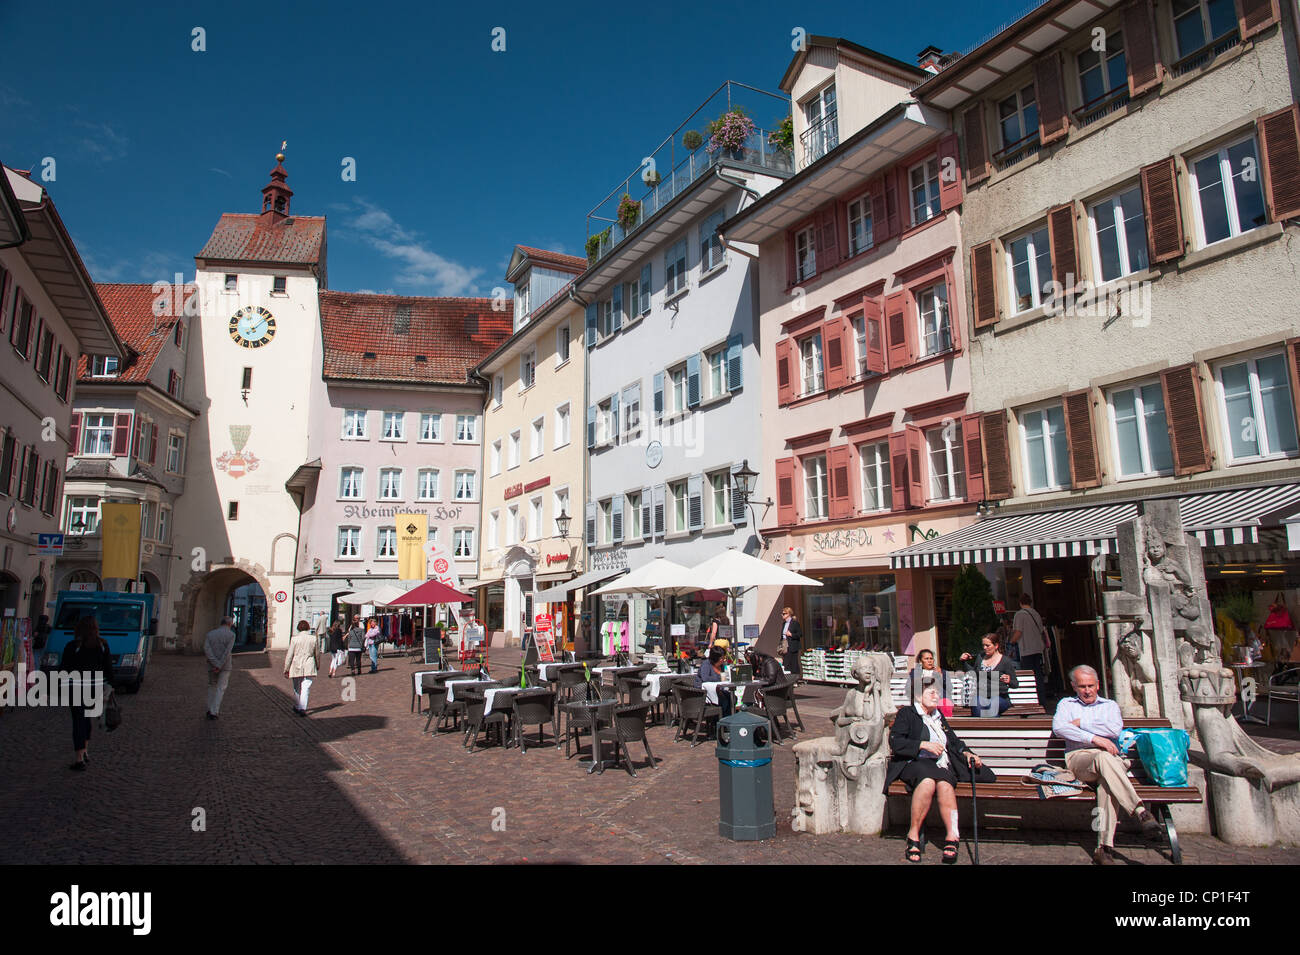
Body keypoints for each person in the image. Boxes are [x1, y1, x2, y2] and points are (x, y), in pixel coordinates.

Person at [1052, 664, 1163, 864]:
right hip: (1080, 758)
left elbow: (1113, 729)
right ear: (1073, 686)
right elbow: (1060, 728)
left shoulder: (1110, 705)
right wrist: (1096, 738)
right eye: (1082, 686)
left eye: (1091, 686)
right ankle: (1140, 811)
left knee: (1107, 784)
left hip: (1111, 762)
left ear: (1098, 685)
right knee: (1103, 758)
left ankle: (1103, 849)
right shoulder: (1066, 704)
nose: (1087, 691)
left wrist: (1081, 724)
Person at [885, 681, 992, 863]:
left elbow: (953, 741)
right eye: (931, 693)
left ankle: (952, 835)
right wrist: (921, 745)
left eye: (937, 693)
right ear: (919, 696)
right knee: (927, 781)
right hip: (915, 763)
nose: (936, 696)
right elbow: (896, 742)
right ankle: (913, 834)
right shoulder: (907, 713)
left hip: (941, 765)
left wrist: (967, 753)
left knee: (945, 784)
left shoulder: (938, 716)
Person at [60, 617, 113, 771]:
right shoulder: (102, 645)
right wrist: (110, 685)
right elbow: (108, 668)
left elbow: (64, 668)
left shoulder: (73, 646)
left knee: (78, 720)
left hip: (76, 687)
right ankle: (85, 750)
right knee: (86, 718)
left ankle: (79, 758)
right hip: (94, 688)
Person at [960, 632, 1019, 716]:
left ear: (996, 646)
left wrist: (1008, 680)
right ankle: (986, 727)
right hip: (981, 696)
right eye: (983, 645)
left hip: (1000, 697)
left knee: (992, 705)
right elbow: (973, 674)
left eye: (987, 645)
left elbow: (1015, 684)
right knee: (978, 704)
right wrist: (963, 662)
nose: (985, 648)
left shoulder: (1005, 661)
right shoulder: (980, 658)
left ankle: (986, 727)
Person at [1011, 593, 1049, 693]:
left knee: (1027, 676)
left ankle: (1031, 699)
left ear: (1020, 603)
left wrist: (1011, 641)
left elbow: (1018, 632)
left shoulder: (1020, 614)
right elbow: (1041, 630)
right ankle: (1041, 700)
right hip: (1037, 648)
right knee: (1038, 676)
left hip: (1026, 649)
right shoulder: (1036, 613)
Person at [204, 615, 236, 720]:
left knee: (211, 686)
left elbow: (207, 650)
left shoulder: (210, 634)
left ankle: (209, 708)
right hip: (225, 666)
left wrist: (214, 663)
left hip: (211, 665)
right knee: (220, 688)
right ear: (230, 624)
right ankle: (214, 711)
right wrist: (219, 664)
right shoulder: (231, 635)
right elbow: (227, 652)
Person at [284, 619, 318, 716]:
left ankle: (299, 706)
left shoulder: (294, 639)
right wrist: (318, 664)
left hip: (296, 665)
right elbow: (317, 653)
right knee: (306, 687)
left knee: (297, 687)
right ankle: (302, 707)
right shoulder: (313, 638)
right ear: (307, 627)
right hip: (309, 664)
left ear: (298, 628)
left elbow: (289, 655)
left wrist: (286, 668)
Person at [695, 646, 733, 717]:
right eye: (722, 658)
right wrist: (719, 678)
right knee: (724, 701)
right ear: (716, 658)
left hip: (718, 690)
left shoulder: (722, 666)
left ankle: (727, 719)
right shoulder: (706, 664)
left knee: (732, 698)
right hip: (703, 693)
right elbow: (705, 678)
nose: (723, 660)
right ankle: (719, 720)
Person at [780, 607, 803, 679]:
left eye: (784, 613)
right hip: (785, 645)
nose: (782, 615)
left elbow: (800, 634)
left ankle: (795, 679)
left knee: (793, 663)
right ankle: (788, 679)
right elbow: (782, 636)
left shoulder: (794, 623)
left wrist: (791, 635)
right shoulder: (784, 624)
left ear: (788, 614)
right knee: (786, 663)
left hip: (792, 645)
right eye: (782, 614)